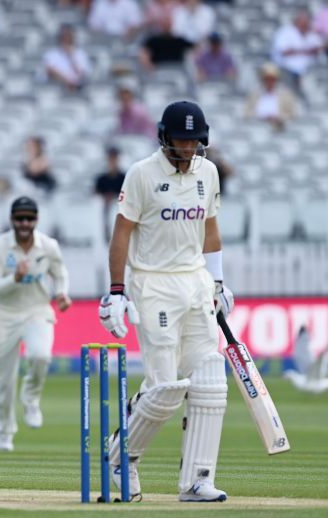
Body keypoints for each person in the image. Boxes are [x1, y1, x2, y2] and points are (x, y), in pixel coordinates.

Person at [98, 100, 234, 502]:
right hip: (153, 283)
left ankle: (197, 480)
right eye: (181, 140)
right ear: (164, 137)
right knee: (165, 386)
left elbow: (210, 228)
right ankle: (121, 459)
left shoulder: (208, 173)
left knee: (209, 380)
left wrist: (219, 281)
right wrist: (118, 290)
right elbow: (122, 233)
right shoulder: (142, 174)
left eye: (194, 141)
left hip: (195, 281)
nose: (188, 148)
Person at [0, 196, 72, 452]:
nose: (24, 223)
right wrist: (15, 278)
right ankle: (4, 432)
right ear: (11, 220)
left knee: (41, 356)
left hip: (37, 309)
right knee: (4, 382)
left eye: (29, 218)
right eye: (20, 218)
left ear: (37, 220)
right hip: (5, 315)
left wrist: (62, 293)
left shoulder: (49, 246)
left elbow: (60, 273)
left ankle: (31, 398)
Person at [244, 62, 298, 131]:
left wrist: (278, 117)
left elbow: (292, 114)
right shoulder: (254, 95)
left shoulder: (285, 95)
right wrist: (260, 117)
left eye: (272, 79)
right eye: (267, 79)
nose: (269, 82)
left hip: (278, 128)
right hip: (257, 128)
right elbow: (247, 113)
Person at [41, 25, 91, 93]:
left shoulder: (81, 54)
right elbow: (49, 71)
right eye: (64, 36)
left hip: (77, 89)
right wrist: (66, 81)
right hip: (56, 89)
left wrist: (71, 57)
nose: (66, 38)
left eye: (68, 35)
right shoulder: (51, 54)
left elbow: (83, 74)